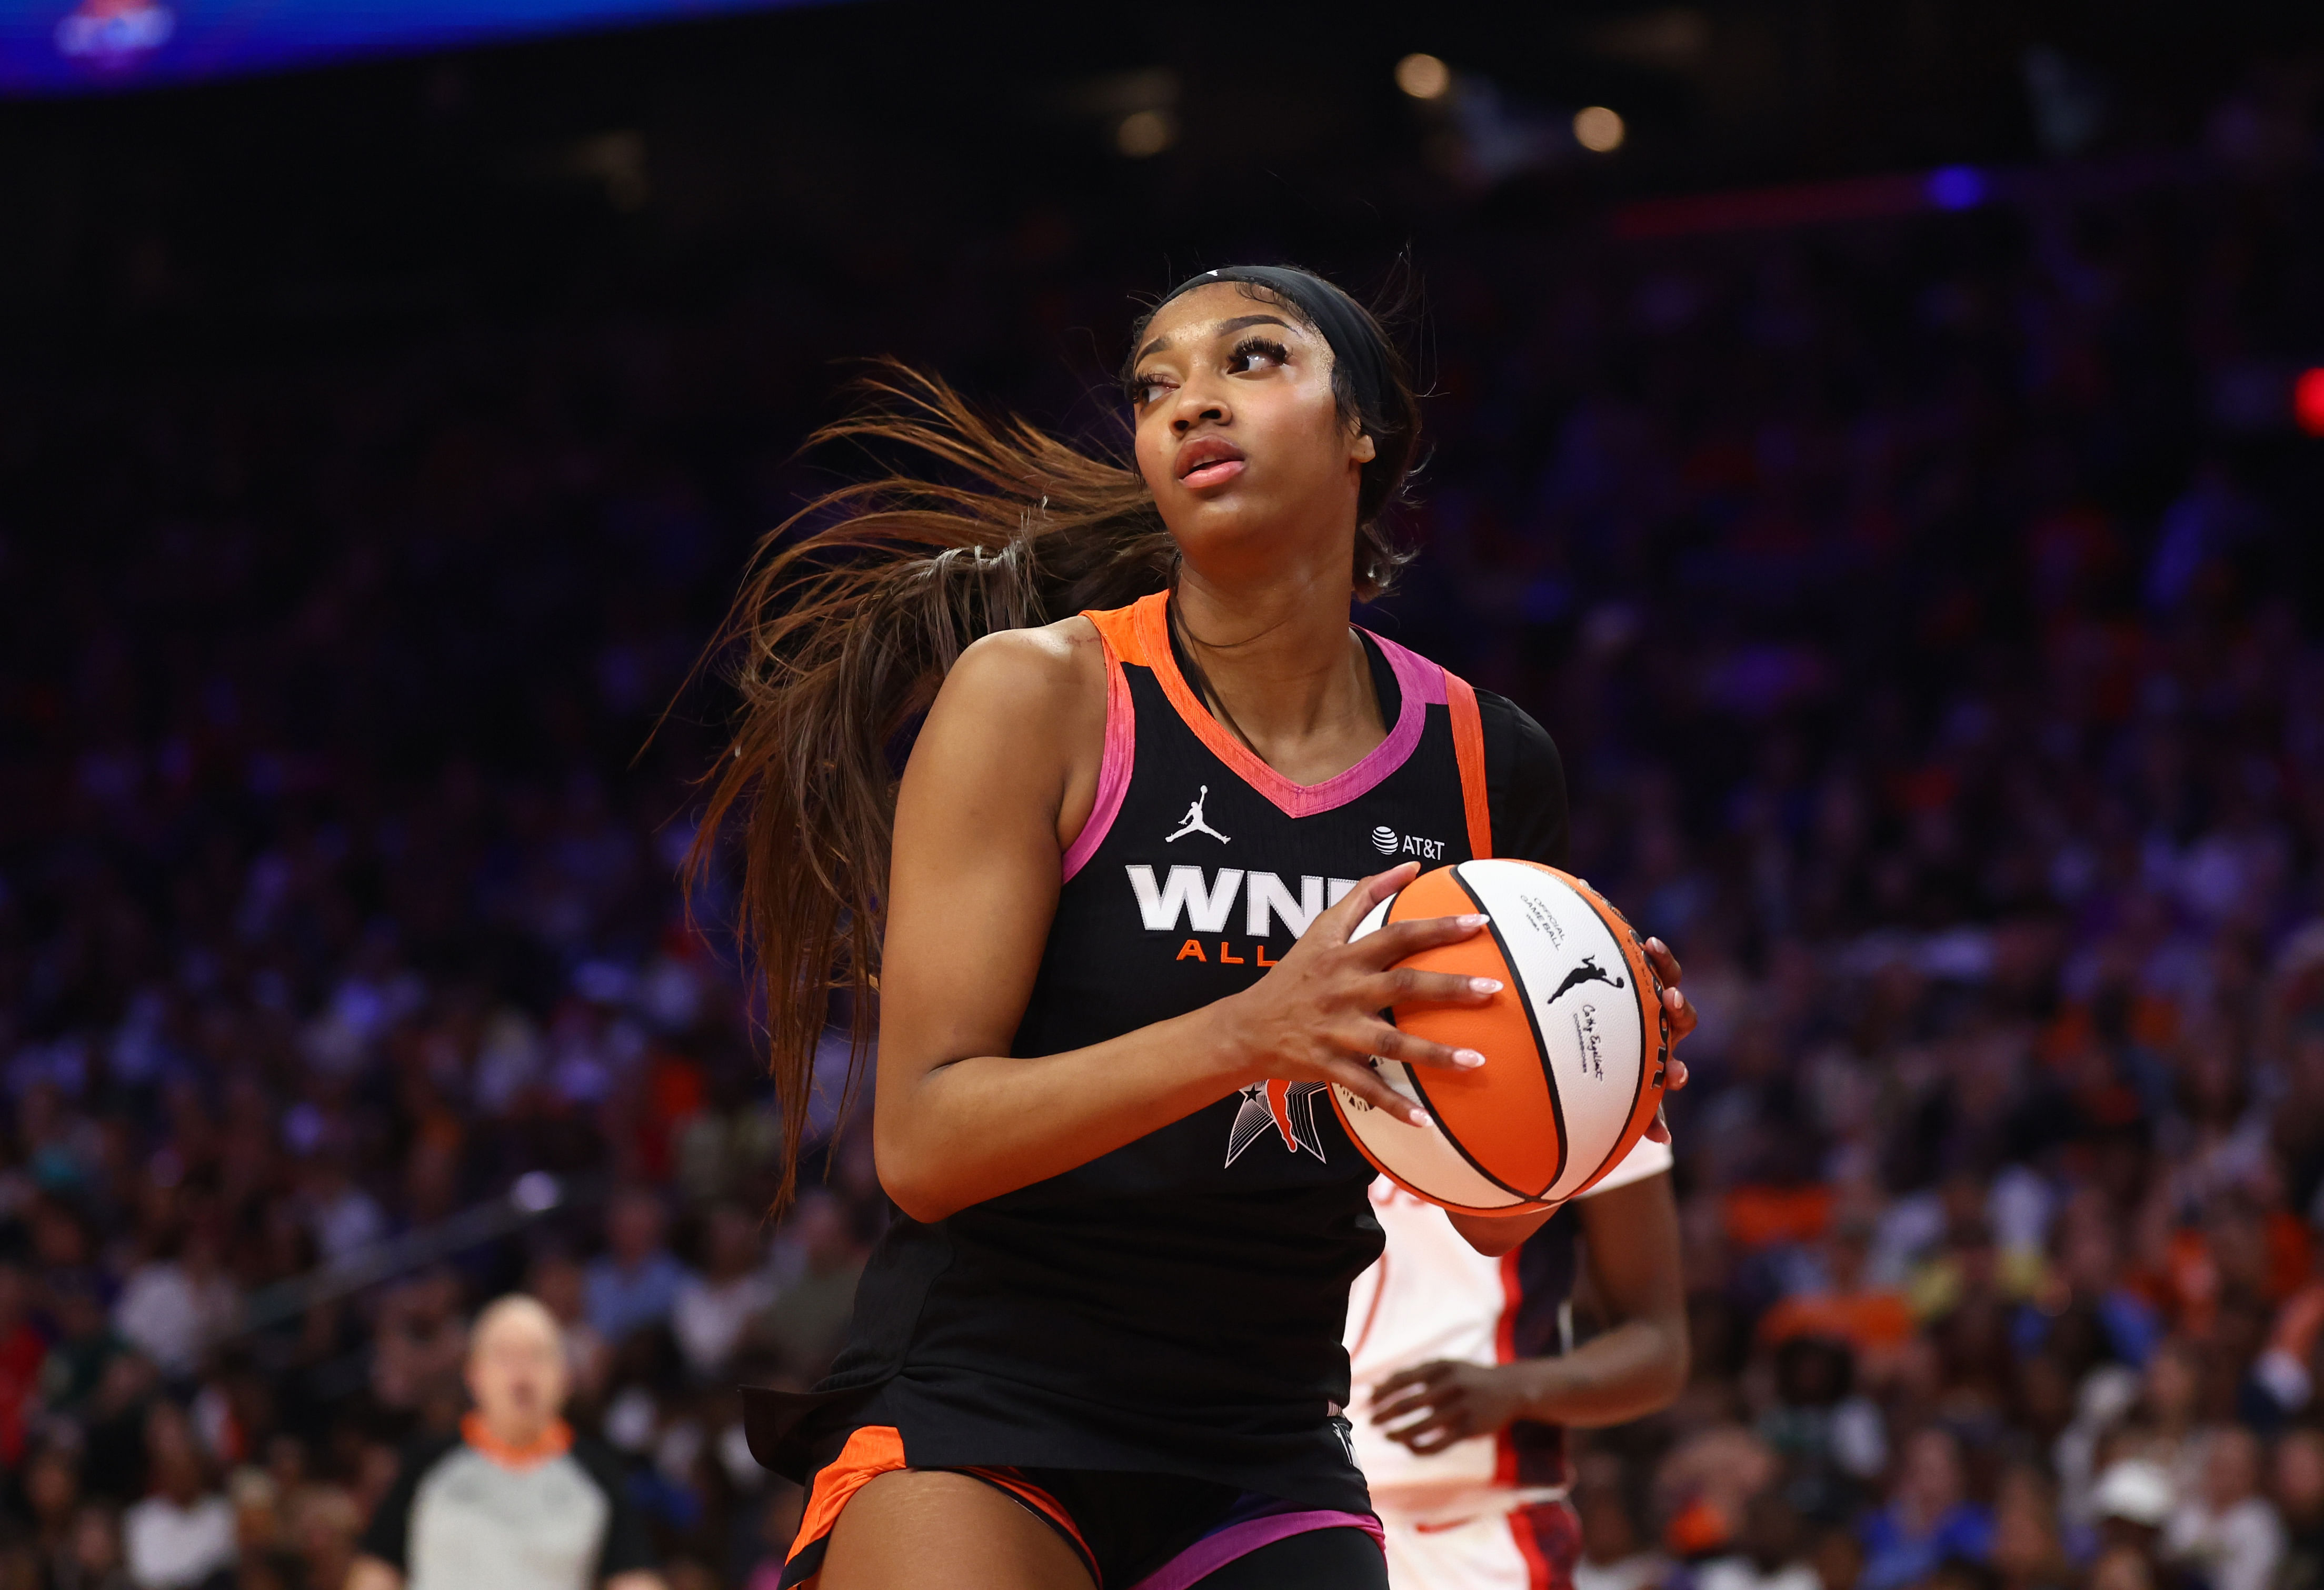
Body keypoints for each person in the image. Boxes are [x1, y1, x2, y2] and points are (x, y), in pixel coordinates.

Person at [697, 263, 1694, 1589]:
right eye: (1155, 385)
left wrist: (1587, 1091)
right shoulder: (1037, 696)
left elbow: (1491, 1216)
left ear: (1363, 430)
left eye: (1250, 360)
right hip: (986, 1399)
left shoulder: (1483, 760)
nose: (1188, 405)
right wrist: (1243, 1030)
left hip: (1264, 1432)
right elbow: (924, 1143)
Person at [1345, 1131, 1685, 1588]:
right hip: (1285, 1504)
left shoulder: (1597, 1077)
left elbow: (1660, 1349)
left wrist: (1520, 1388)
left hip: (1482, 1532)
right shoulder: (1272, 1074)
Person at [347, 1295, 664, 1590]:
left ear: (564, 1377)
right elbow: (376, 1568)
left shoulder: (600, 1474)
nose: (521, 1373)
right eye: (505, 1356)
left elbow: (635, 1578)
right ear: (474, 1375)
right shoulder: (426, 1464)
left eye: (537, 1355)